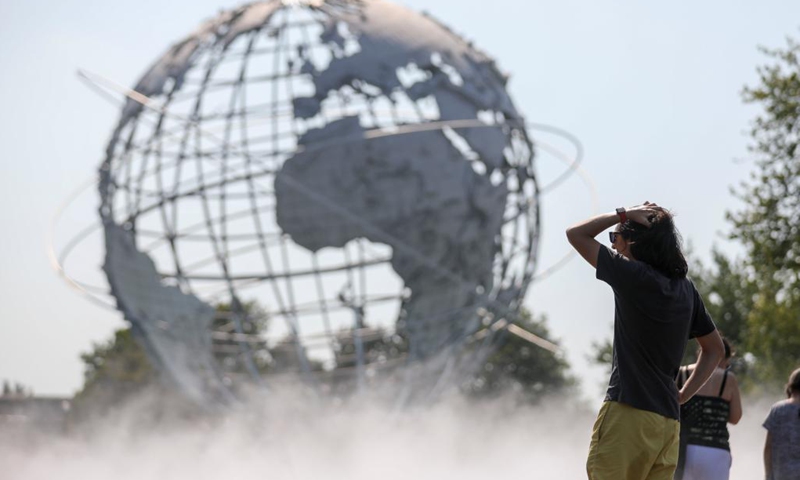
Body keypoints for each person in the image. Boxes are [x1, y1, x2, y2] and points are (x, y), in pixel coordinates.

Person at [566, 202, 725, 480]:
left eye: (615, 237)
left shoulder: (632, 276)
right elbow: (715, 350)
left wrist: (622, 213)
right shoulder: (686, 290)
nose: (613, 246)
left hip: (628, 414)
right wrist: (682, 395)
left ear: (632, 242)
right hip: (667, 424)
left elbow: (575, 234)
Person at [674, 337, 743, 480]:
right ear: (723, 357)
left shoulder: (681, 373)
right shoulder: (728, 378)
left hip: (683, 449)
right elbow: (735, 417)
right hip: (716, 450)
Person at [763, 367, 800, 480]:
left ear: (791, 386)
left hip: (781, 475)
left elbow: (768, 447)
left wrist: (768, 476)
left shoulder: (778, 409)